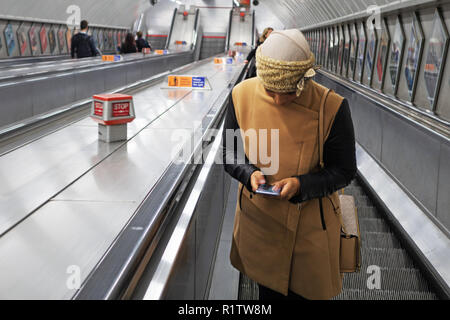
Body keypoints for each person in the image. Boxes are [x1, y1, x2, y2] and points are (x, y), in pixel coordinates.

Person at [222, 29, 357, 300]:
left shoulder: (331, 107)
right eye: (270, 91)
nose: (278, 100)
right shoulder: (241, 96)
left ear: (305, 77)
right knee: (267, 293)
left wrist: (302, 185)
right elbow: (229, 152)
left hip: (310, 231)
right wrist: (249, 173)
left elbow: (344, 170)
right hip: (259, 224)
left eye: (289, 92)